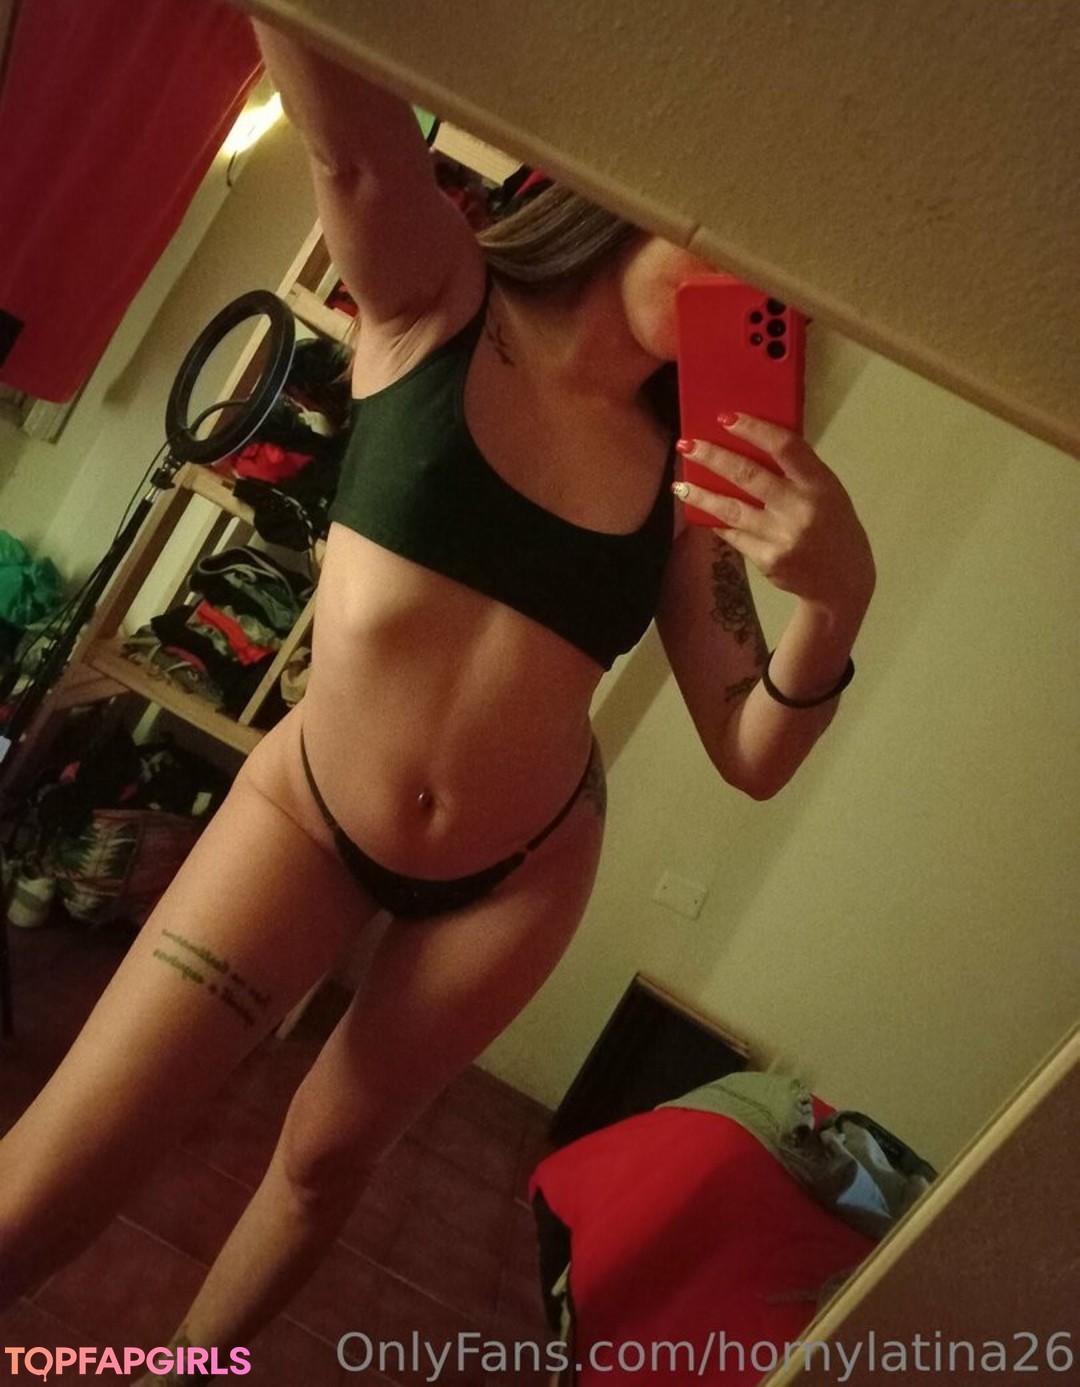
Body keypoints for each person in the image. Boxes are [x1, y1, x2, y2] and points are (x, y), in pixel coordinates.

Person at [0, 14, 875, 1370]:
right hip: (310, 811)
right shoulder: (440, 303)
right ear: (651, 183)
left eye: (786, 286)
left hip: (520, 871)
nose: (761, 290)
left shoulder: (689, 483)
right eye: (746, 245)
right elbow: (352, 151)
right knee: (63, 1172)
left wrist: (837, 601)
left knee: (321, 1165)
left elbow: (752, 751)